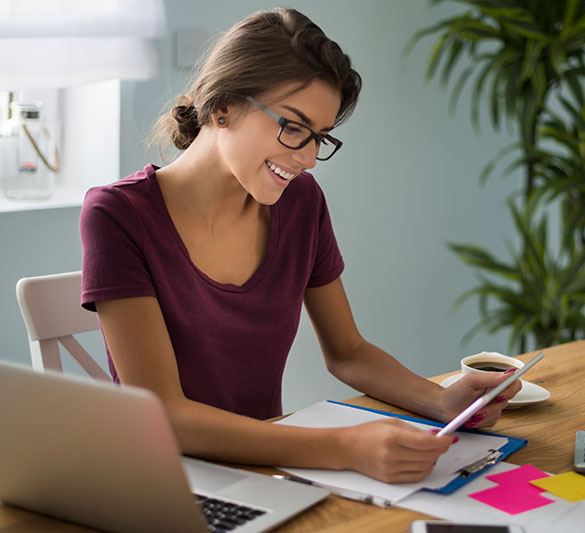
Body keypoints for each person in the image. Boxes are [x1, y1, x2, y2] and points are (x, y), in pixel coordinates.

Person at [79, 7, 521, 484]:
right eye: (293, 126)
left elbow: (347, 351)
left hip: (266, 473)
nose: (309, 158)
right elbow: (165, 413)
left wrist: (441, 399)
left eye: (320, 138)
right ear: (223, 104)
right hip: (161, 480)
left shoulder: (301, 203)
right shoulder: (117, 214)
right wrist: (346, 448)